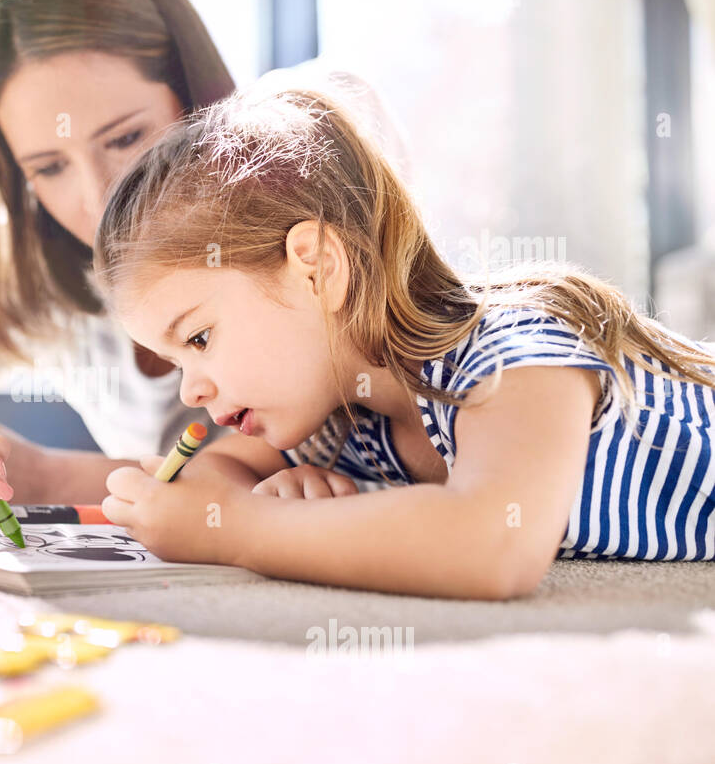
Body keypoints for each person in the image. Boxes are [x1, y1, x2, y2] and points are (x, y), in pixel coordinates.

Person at [0, 0, 410, 540]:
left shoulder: (303, 156)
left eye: (125, 137)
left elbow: (260, 470)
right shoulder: (23, 267)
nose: (97, 201)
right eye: (49, 167)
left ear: (194, 97)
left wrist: (50, 477)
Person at [92, 83, 715, 599]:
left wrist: (237, 531)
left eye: (199, 338)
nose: (191, 387)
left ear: (316, 265)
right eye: (174, 362)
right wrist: (269, 498)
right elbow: (215, 469)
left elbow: (495, 543)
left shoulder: (514, 352)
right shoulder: (344, 421)